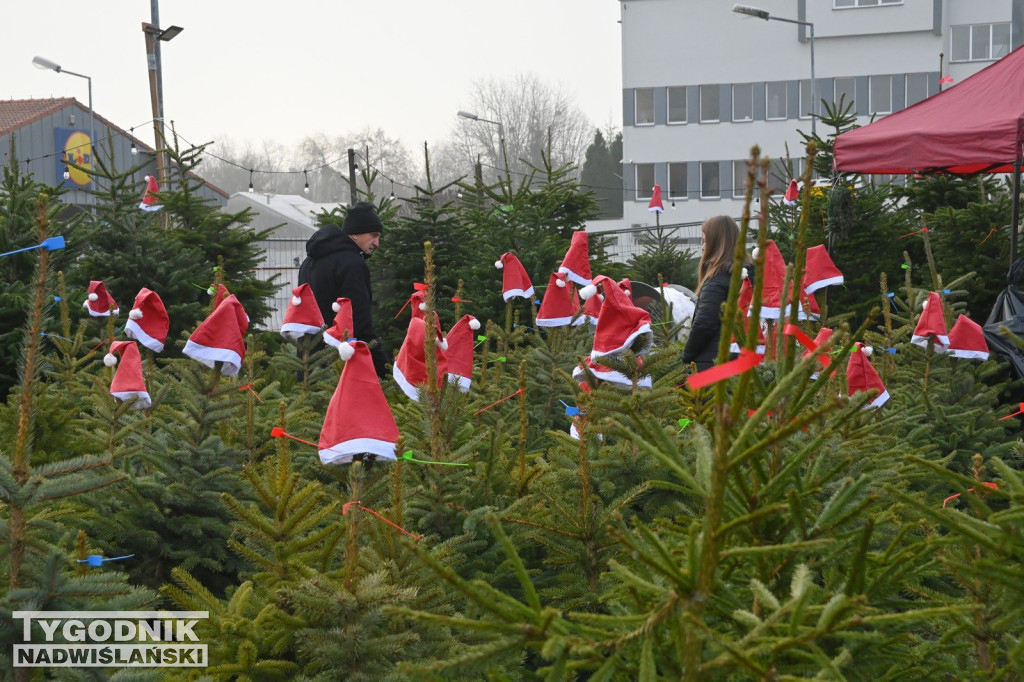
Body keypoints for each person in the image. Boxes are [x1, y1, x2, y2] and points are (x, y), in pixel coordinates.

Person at [298, 201, 388, 377]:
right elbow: (360, 322)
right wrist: (385, 371)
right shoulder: (352, 264)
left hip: (309, 363)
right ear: (355, 234)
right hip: (342, 365)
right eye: (373, 235)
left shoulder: (308, 263)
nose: (377, 243)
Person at [680, 215, 748, 372]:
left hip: (713, 368)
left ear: (716, 244)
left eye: (704, 241)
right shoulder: (747, 276)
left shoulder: (716, 280)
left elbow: (704, 324)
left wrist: (686, 356)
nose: (702, 247)